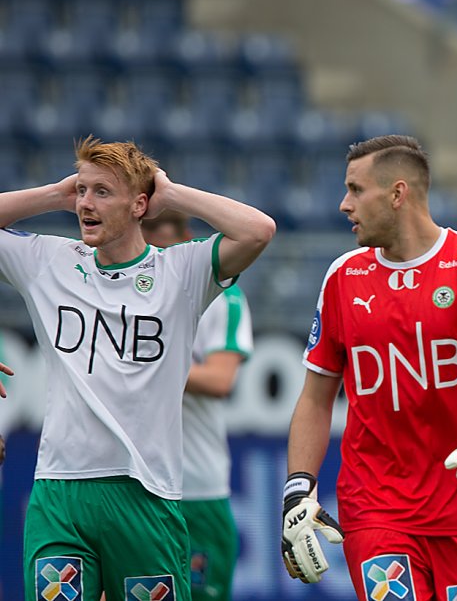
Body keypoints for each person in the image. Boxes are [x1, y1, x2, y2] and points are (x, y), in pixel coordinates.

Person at [0, 135, 275, 601]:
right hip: (59, 492)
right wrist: (54, 194)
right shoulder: (48, 261)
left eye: (102, 192)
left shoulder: (181, 274)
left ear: (139, 205)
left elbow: (258, 230)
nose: (86, 203)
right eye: (82, 191)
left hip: (145, 495)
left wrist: (171, 193)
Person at [283, 135, 457, 601]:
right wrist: (297, 490)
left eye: (356, 189)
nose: (345, 205)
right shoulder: (343, 277)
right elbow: (315, 398)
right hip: (376, 506)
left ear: (398, 194)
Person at [141, 211, 254, 601]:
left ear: (187, 239)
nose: (155, 255)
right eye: (146, 241)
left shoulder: (222, 297)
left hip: (195, 487)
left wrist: (141, 360)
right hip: (133, 484)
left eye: (164, 243)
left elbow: (221, 379)